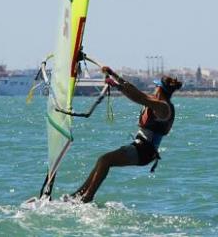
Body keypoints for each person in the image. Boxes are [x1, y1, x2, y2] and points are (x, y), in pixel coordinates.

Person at [67, 66, 182, 203]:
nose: (153, 89)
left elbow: (139, 98)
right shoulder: (155, 101)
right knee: (102, 160)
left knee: (105, 161)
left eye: (155, 86)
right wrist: (113, 74)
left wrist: (116, 85)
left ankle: (87, 197)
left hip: (144, 151)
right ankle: (79, 194)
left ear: (159, 89)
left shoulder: (163, 107)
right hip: (140, 148)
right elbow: (135, 90)